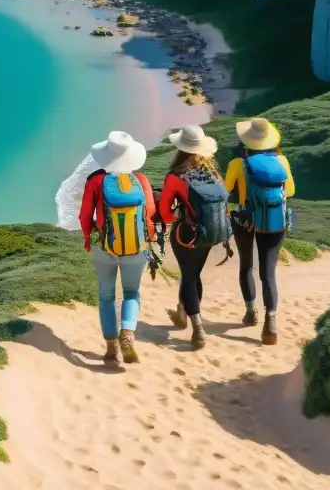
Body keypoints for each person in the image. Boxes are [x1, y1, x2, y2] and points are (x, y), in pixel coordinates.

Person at [79, 131, 157, 364]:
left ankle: (112, 346)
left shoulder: (96, 180)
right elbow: (150, 213)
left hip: (105, 246)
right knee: (132, 292)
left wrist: (86, 237)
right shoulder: (140, 180)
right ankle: (128, 333)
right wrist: (148, 239)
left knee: (106, 296)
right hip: (137, 246)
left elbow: (84, 215)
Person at [224, 117, 296, 345]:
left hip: (246, 220)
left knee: (247, 266)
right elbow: (291, 191)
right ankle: (270, 321)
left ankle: (251, 312)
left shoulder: (238, 164)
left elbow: (225, 191)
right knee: (268, 274)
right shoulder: (282, 160)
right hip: (275, 221)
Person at [158, 125, 230, 350]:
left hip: (188, 233)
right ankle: (182, 313)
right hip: (212, 232)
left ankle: (197, 329)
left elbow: (165, 212)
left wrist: (178, 217)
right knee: (194, 273)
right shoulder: (213, 172)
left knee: (188, 275)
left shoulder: (176, 175)